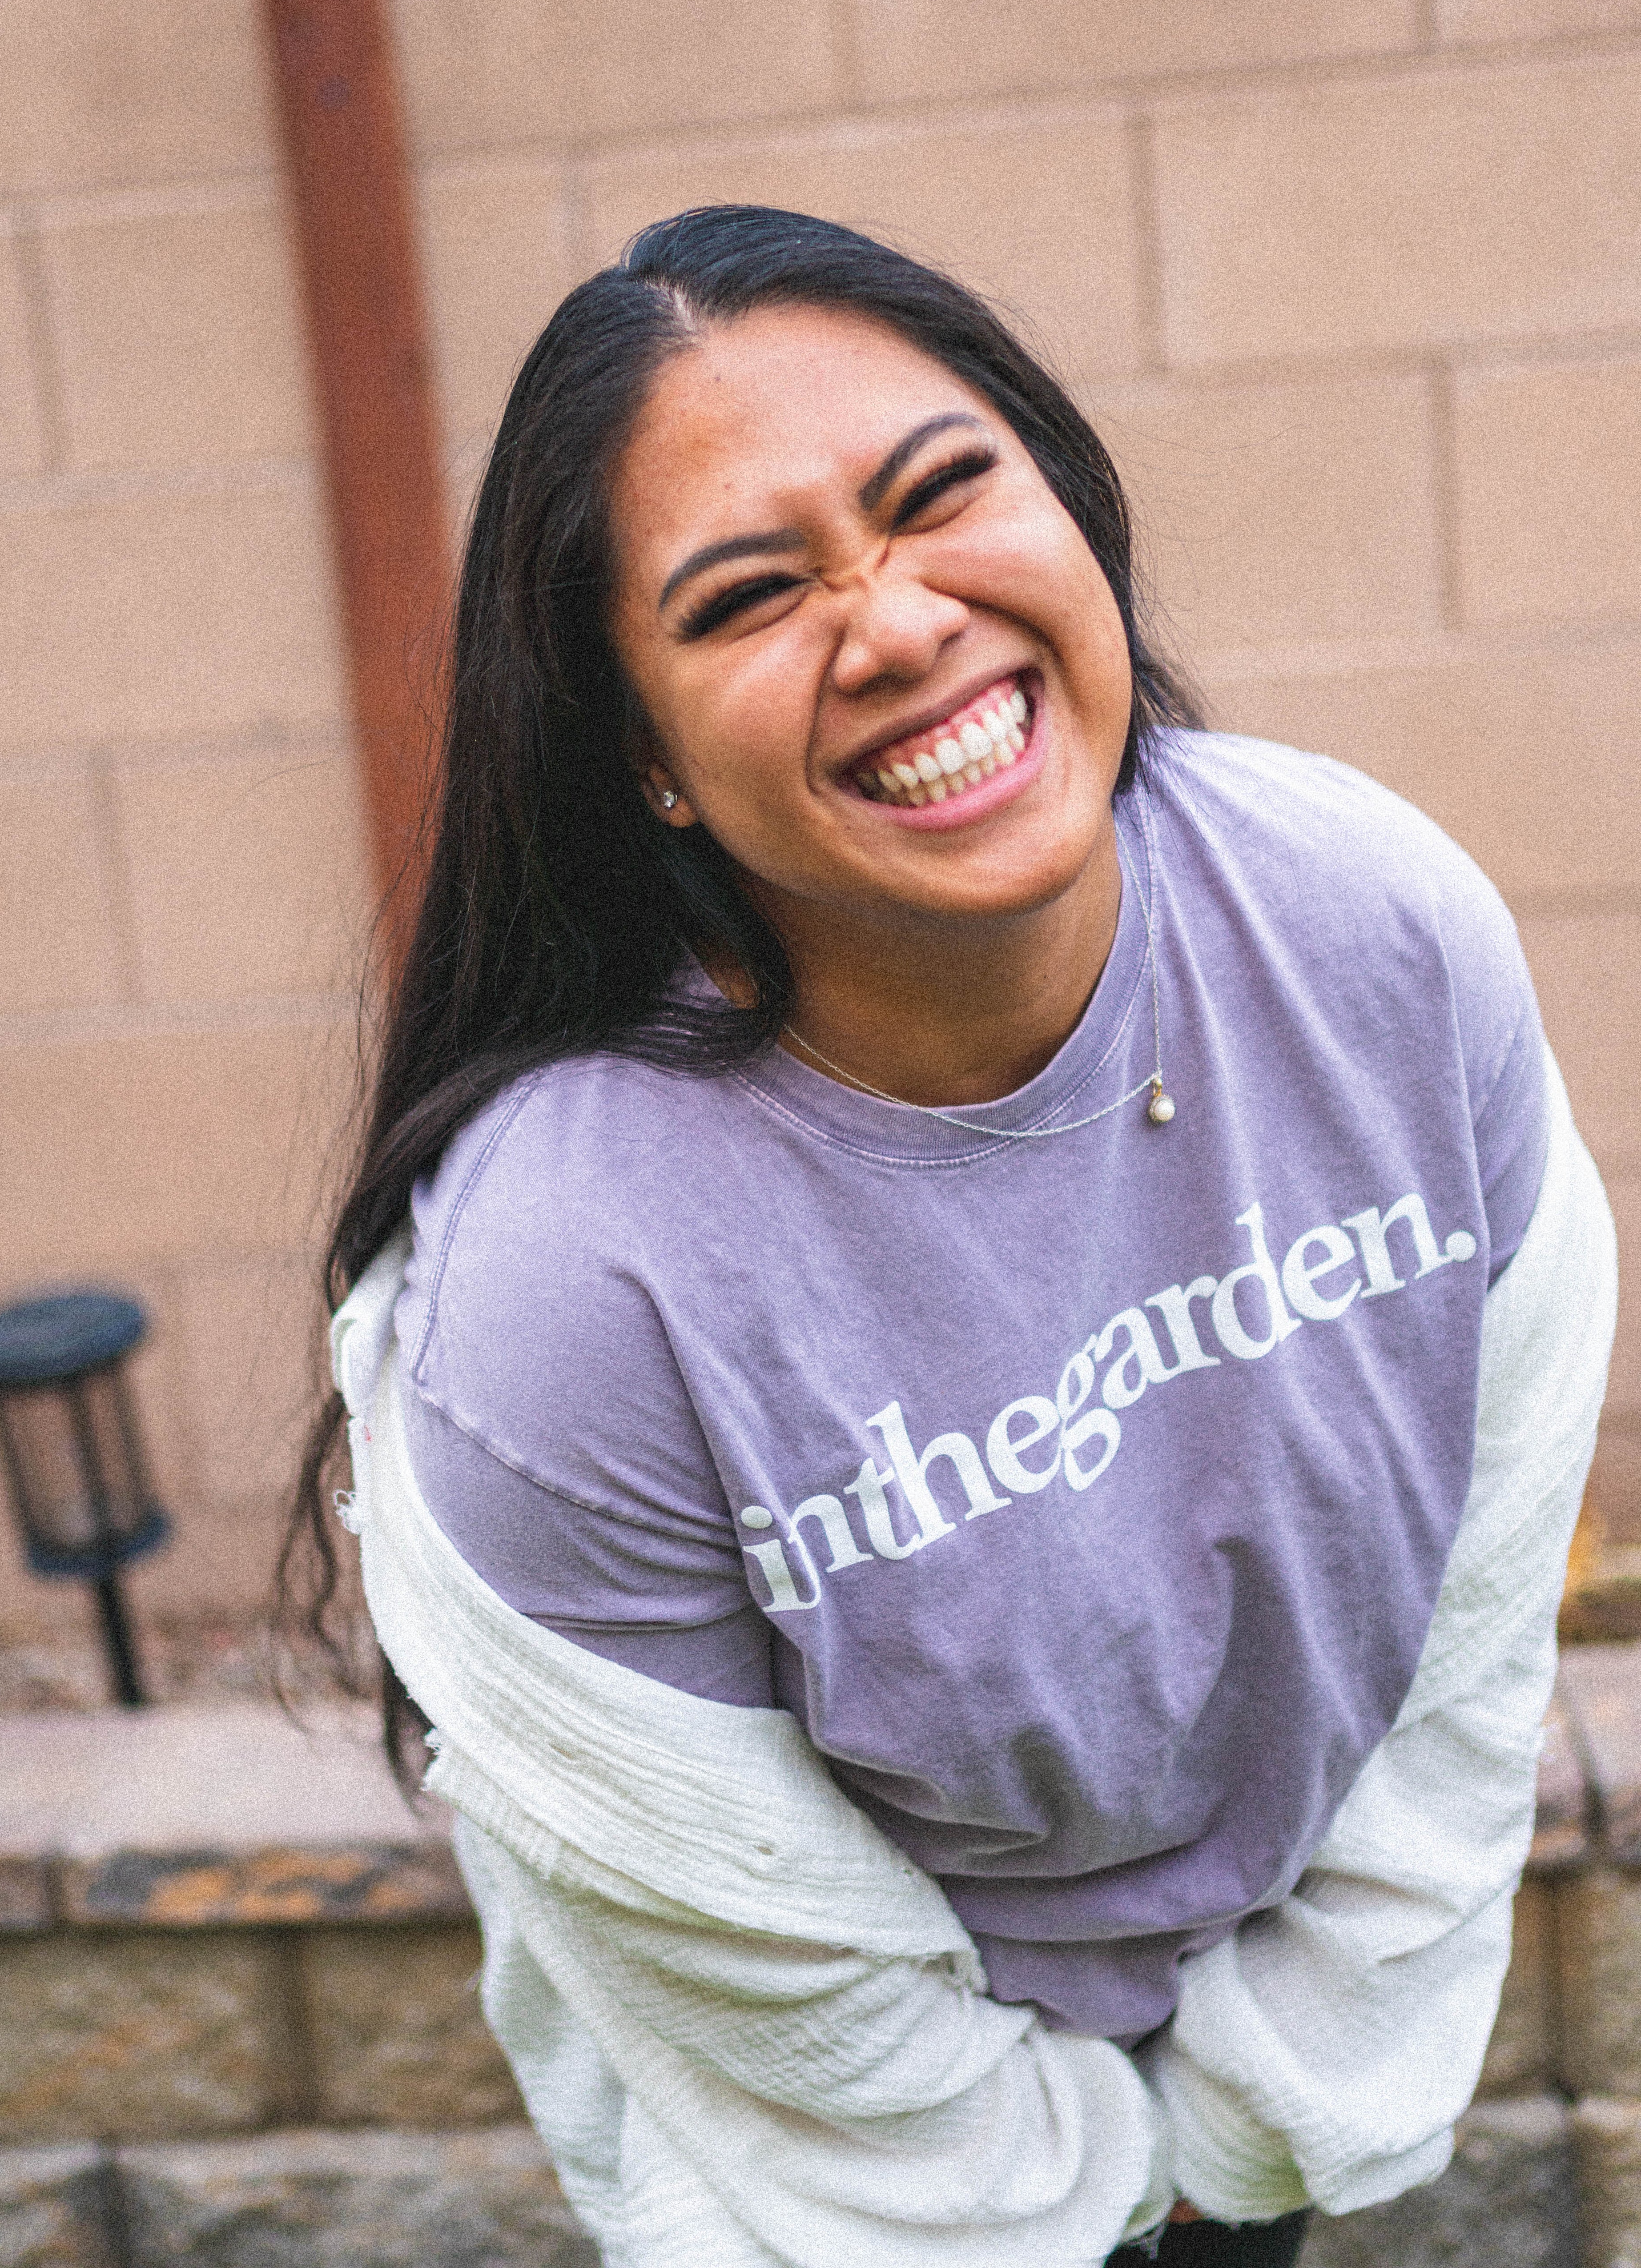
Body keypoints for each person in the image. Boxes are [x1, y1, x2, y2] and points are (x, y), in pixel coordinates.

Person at [284, 207, 1616, 2268]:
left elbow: (1473, 1584)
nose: (896, 621)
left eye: (941, 497)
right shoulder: (562, 1289)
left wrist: (1272, 2118)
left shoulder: (1372, 931)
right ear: (641, 754)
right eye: (749, 596)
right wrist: (1103, 2192)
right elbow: (759, 1964)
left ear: (1068, 505)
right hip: (845, 2190)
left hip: (1263, 2090)